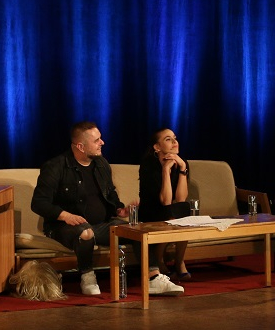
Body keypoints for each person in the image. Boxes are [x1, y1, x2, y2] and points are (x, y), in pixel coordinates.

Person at [29, 121, 183, 296]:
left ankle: (153, 278)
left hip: (100, 225)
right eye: (96, 140)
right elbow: (38, 203)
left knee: (137, 230)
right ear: (80, 146)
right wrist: (65, 216)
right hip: (64, 227)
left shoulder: (101, 164)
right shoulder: (56, 166)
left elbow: (110, 194)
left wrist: (119, 210)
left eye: (100, 138)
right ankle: (87, 276)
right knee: (85, 233)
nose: (102, 143)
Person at [138, 127, 192, 282]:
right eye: (168, 139)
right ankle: (159, 261)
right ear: (157, 147)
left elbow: (181, 198)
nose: (175, 142)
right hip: (150, 212)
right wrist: (165, 170)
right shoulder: (148, 164)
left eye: (175, 138)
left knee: (184, 214)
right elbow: (165, 201)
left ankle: (179, 262)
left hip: (169, 211)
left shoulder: (182, 162)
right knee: (171, 216)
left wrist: (182, 169)